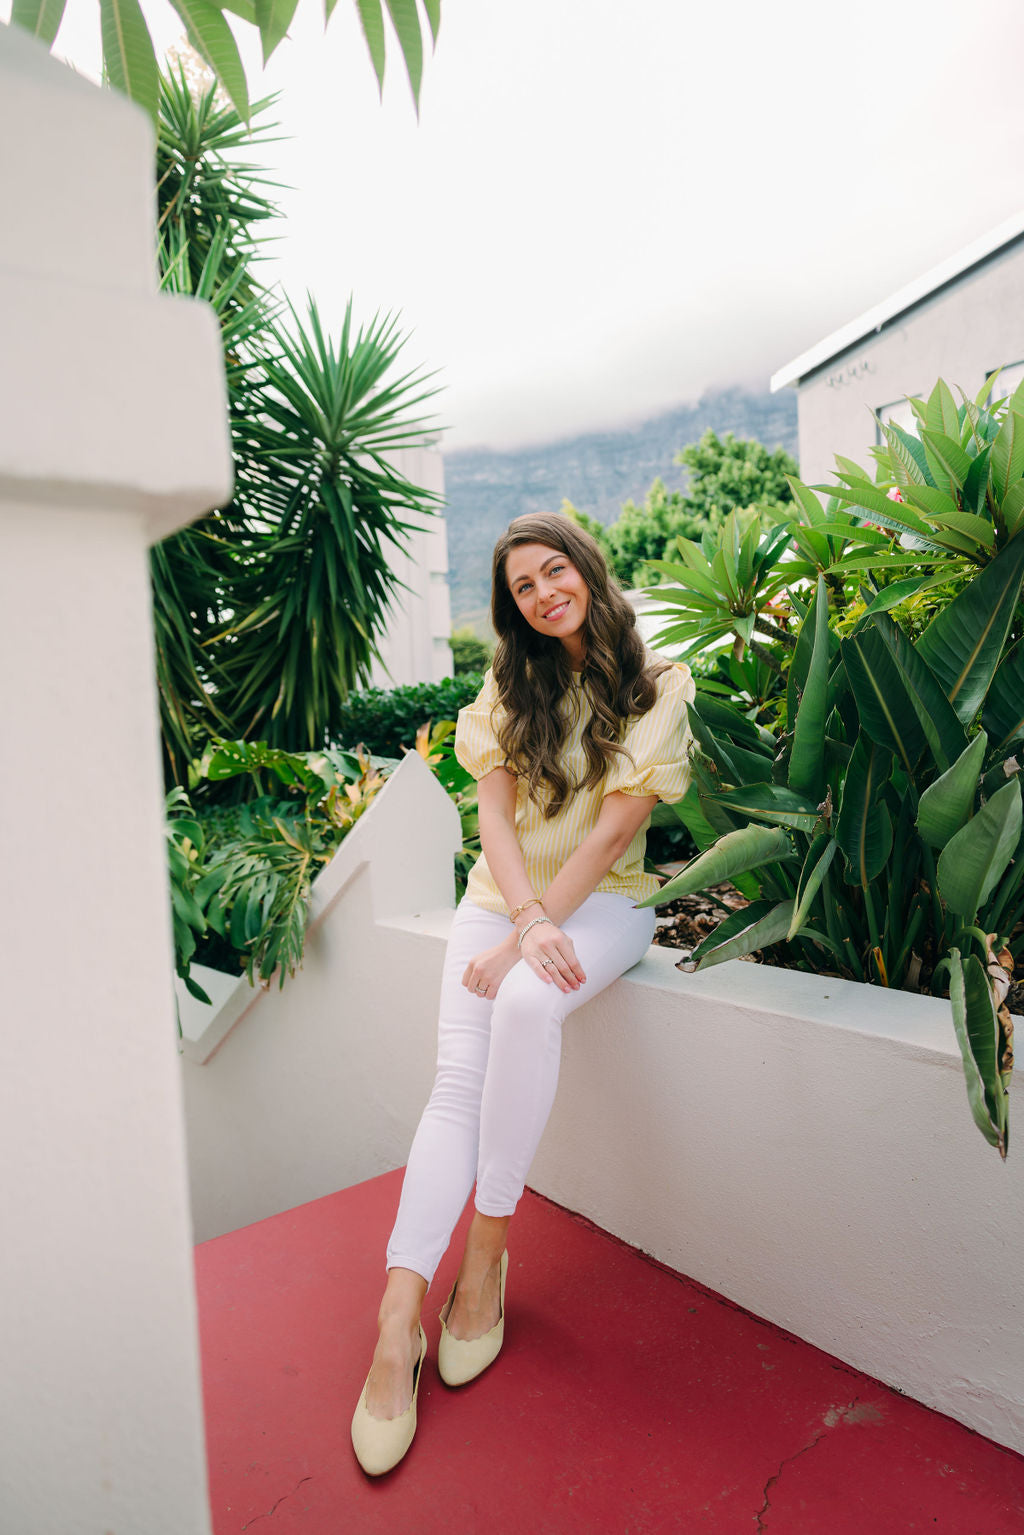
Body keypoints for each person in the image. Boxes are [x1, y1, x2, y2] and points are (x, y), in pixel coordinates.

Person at [350, 510, 695, 1475]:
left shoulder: (660, 681)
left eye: (555, 571)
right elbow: (494, 820)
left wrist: (534, 933)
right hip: (502, 900)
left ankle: (486, 1256)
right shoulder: (508, 684)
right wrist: (520, 920)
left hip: (608, 903)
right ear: (511, 607)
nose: (545, 594)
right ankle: (397, 1319)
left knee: (530, 1001)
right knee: (455, 1083)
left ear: (586, 566)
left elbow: (612, 833)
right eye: (523, 587)